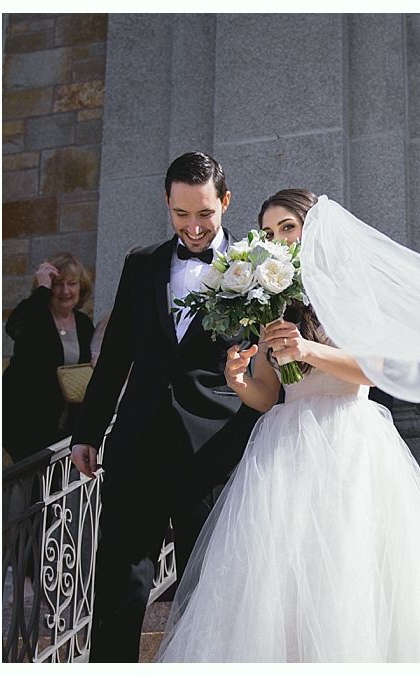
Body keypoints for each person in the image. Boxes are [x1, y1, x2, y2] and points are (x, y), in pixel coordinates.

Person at [156, 189, 420, 662]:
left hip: (348, 440)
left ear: (310, 231)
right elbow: (266, 394)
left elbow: (372, 369)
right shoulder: (270, 307)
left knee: (349, 570)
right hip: (287, 448)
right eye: (268, 231)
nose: (277, 239)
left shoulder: (349, 291)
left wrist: (307, 350)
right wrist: (238, 380)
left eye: (287, 228)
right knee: (282, 583)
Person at [69, 152, 262, 662]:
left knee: (208, 595)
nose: (193, 227)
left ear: (225, 202)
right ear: (167, 205)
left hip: (214, 453)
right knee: (117, 591)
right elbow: (115, 359)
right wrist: (87, 431)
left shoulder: (260, 269)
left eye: (204, 214)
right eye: (181, 214)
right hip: (137, 446)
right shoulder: (141, 264)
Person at [3, 253, 95, 462]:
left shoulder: (83, 323)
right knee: (30, 481)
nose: (65, 291)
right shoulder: (37, 316)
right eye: (57, 285)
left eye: (72, 284)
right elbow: (14, 327)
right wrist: (42, 288)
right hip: (24, 417)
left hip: (63, 422)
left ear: (81, 288)